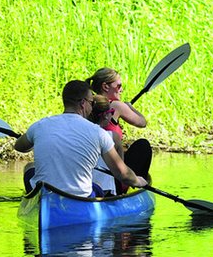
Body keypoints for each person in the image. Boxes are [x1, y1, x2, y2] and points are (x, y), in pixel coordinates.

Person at [14, 79, 144, 198]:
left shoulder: (39, 126)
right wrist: (138, 181)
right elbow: (123, 174)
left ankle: (33, 200)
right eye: (91, 103)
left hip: (45, 196)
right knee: (97, 187)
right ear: (83, 103)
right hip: (80, 198)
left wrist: (35, 139)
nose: (92, 107)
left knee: (30, 167)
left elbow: (19, 146)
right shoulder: (99, 133)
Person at [86, 66, 153, 179]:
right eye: (119, 86)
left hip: (93, 166)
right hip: (112, 169)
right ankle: (134, 183)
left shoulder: (88, 104)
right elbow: (142, 122)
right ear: (105, 86)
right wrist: (130, 107)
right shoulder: (116, 105)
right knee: (143, 145)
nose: (121, 90)